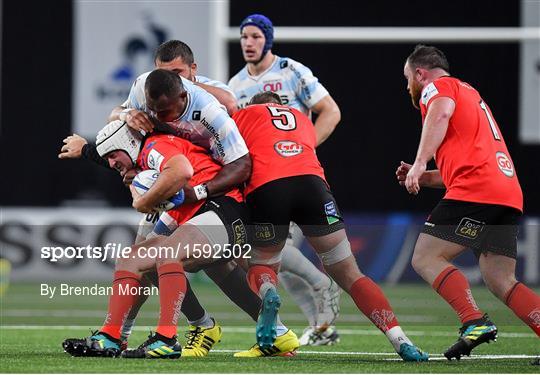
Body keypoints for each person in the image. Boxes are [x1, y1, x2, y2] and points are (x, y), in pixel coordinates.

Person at [60, 63, 262, 357]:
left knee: (171, 254)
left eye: (114, 159)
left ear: (183, 91)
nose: (114, 167)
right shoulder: (142, 116)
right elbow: (118, 140)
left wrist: (143, 201)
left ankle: (168, 339)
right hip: (194, 210)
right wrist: (91, 148)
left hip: (225, 204)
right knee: (134, 257)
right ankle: (110, 336)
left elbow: (181, 170)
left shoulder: (158, 142)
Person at [230, 91, 428, 361]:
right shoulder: (300, 118)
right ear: (280, 105)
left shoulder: (243, 115)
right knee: (351, 274)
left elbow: (231, 158)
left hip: (268, 187)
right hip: (314, 188)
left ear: (254, 105)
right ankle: (400, 338)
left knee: (262, 263)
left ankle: (269, 293)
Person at [397, 44, 540, 361]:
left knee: (425, 257)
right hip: (504, 191)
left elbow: (441, 113)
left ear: (421, 73)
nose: (409, 87)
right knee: (500, 279)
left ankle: (473, 321)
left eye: (408, 79)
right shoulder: (469, 93)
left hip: (477, 189)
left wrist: (420, 162)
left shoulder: (439, 86)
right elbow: (457, 171)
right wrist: (425, 175)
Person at [228, 14, 342, 346]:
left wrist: (303, 146)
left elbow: (331, 111)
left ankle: (323, 286)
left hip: (292, 173)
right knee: (276, 254)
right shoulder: (236, 86)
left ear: (268, 40)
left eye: (255, 36)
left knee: (266, 251)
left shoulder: (291, 71)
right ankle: (321, 327)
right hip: (262, 177)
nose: (248, 43)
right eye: (244, 37)